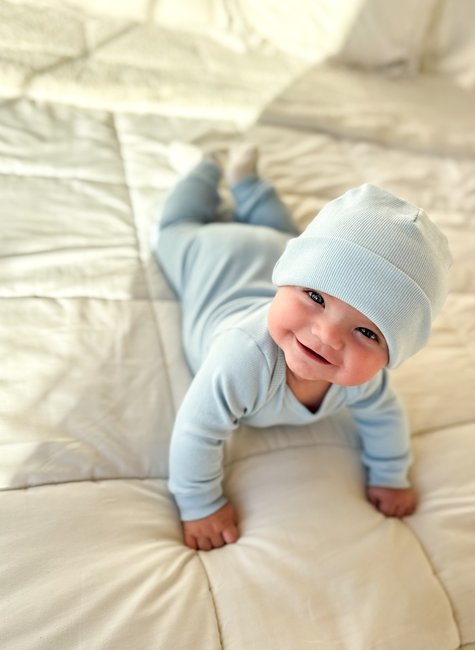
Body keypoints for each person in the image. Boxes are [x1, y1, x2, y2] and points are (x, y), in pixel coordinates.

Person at [152, 143, 452, 551]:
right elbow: (197, 430)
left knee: (281, 230)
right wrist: (200, 505)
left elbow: (384, 417)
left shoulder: (363, 380)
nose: (327, 335)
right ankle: (206, 171)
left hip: (275, 246)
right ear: (287, 276)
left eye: (367, 333)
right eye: (314, 296)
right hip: (214, 256)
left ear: (394, 355)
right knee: (174, 228)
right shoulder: (244, 356)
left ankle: (247, 183)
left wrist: (390, 474)